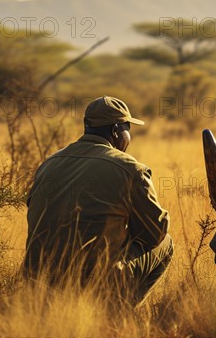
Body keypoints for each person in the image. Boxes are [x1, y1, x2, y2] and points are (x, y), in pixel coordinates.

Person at [23, 96, 173, 306]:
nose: (129, 136)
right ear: (115, 131)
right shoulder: (130, 168)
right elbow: (154, 233)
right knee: (166, 243)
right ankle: (118, 313)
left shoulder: (50, 162)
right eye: (127, 128)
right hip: (95, 282)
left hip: (37, 280)